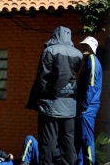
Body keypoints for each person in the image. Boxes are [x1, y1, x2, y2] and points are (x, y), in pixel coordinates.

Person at [26, 26, 83, 165]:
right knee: (68, 143)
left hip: (50, 106)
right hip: (70, 106)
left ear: (55, 35)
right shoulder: (78, 54)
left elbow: (42, 79)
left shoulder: (49, 51)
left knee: (48, 143)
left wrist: (38, 100)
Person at [75, 36, 102, 165]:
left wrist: (84, 107)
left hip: (88, 107)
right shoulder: (89, 61)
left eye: (86, 46)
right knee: (81, 139)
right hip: (86, 107)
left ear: (92, 48)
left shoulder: (92, 60)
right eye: (83, 45)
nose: (84, 48)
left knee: (87, 138)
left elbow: (91, 86)